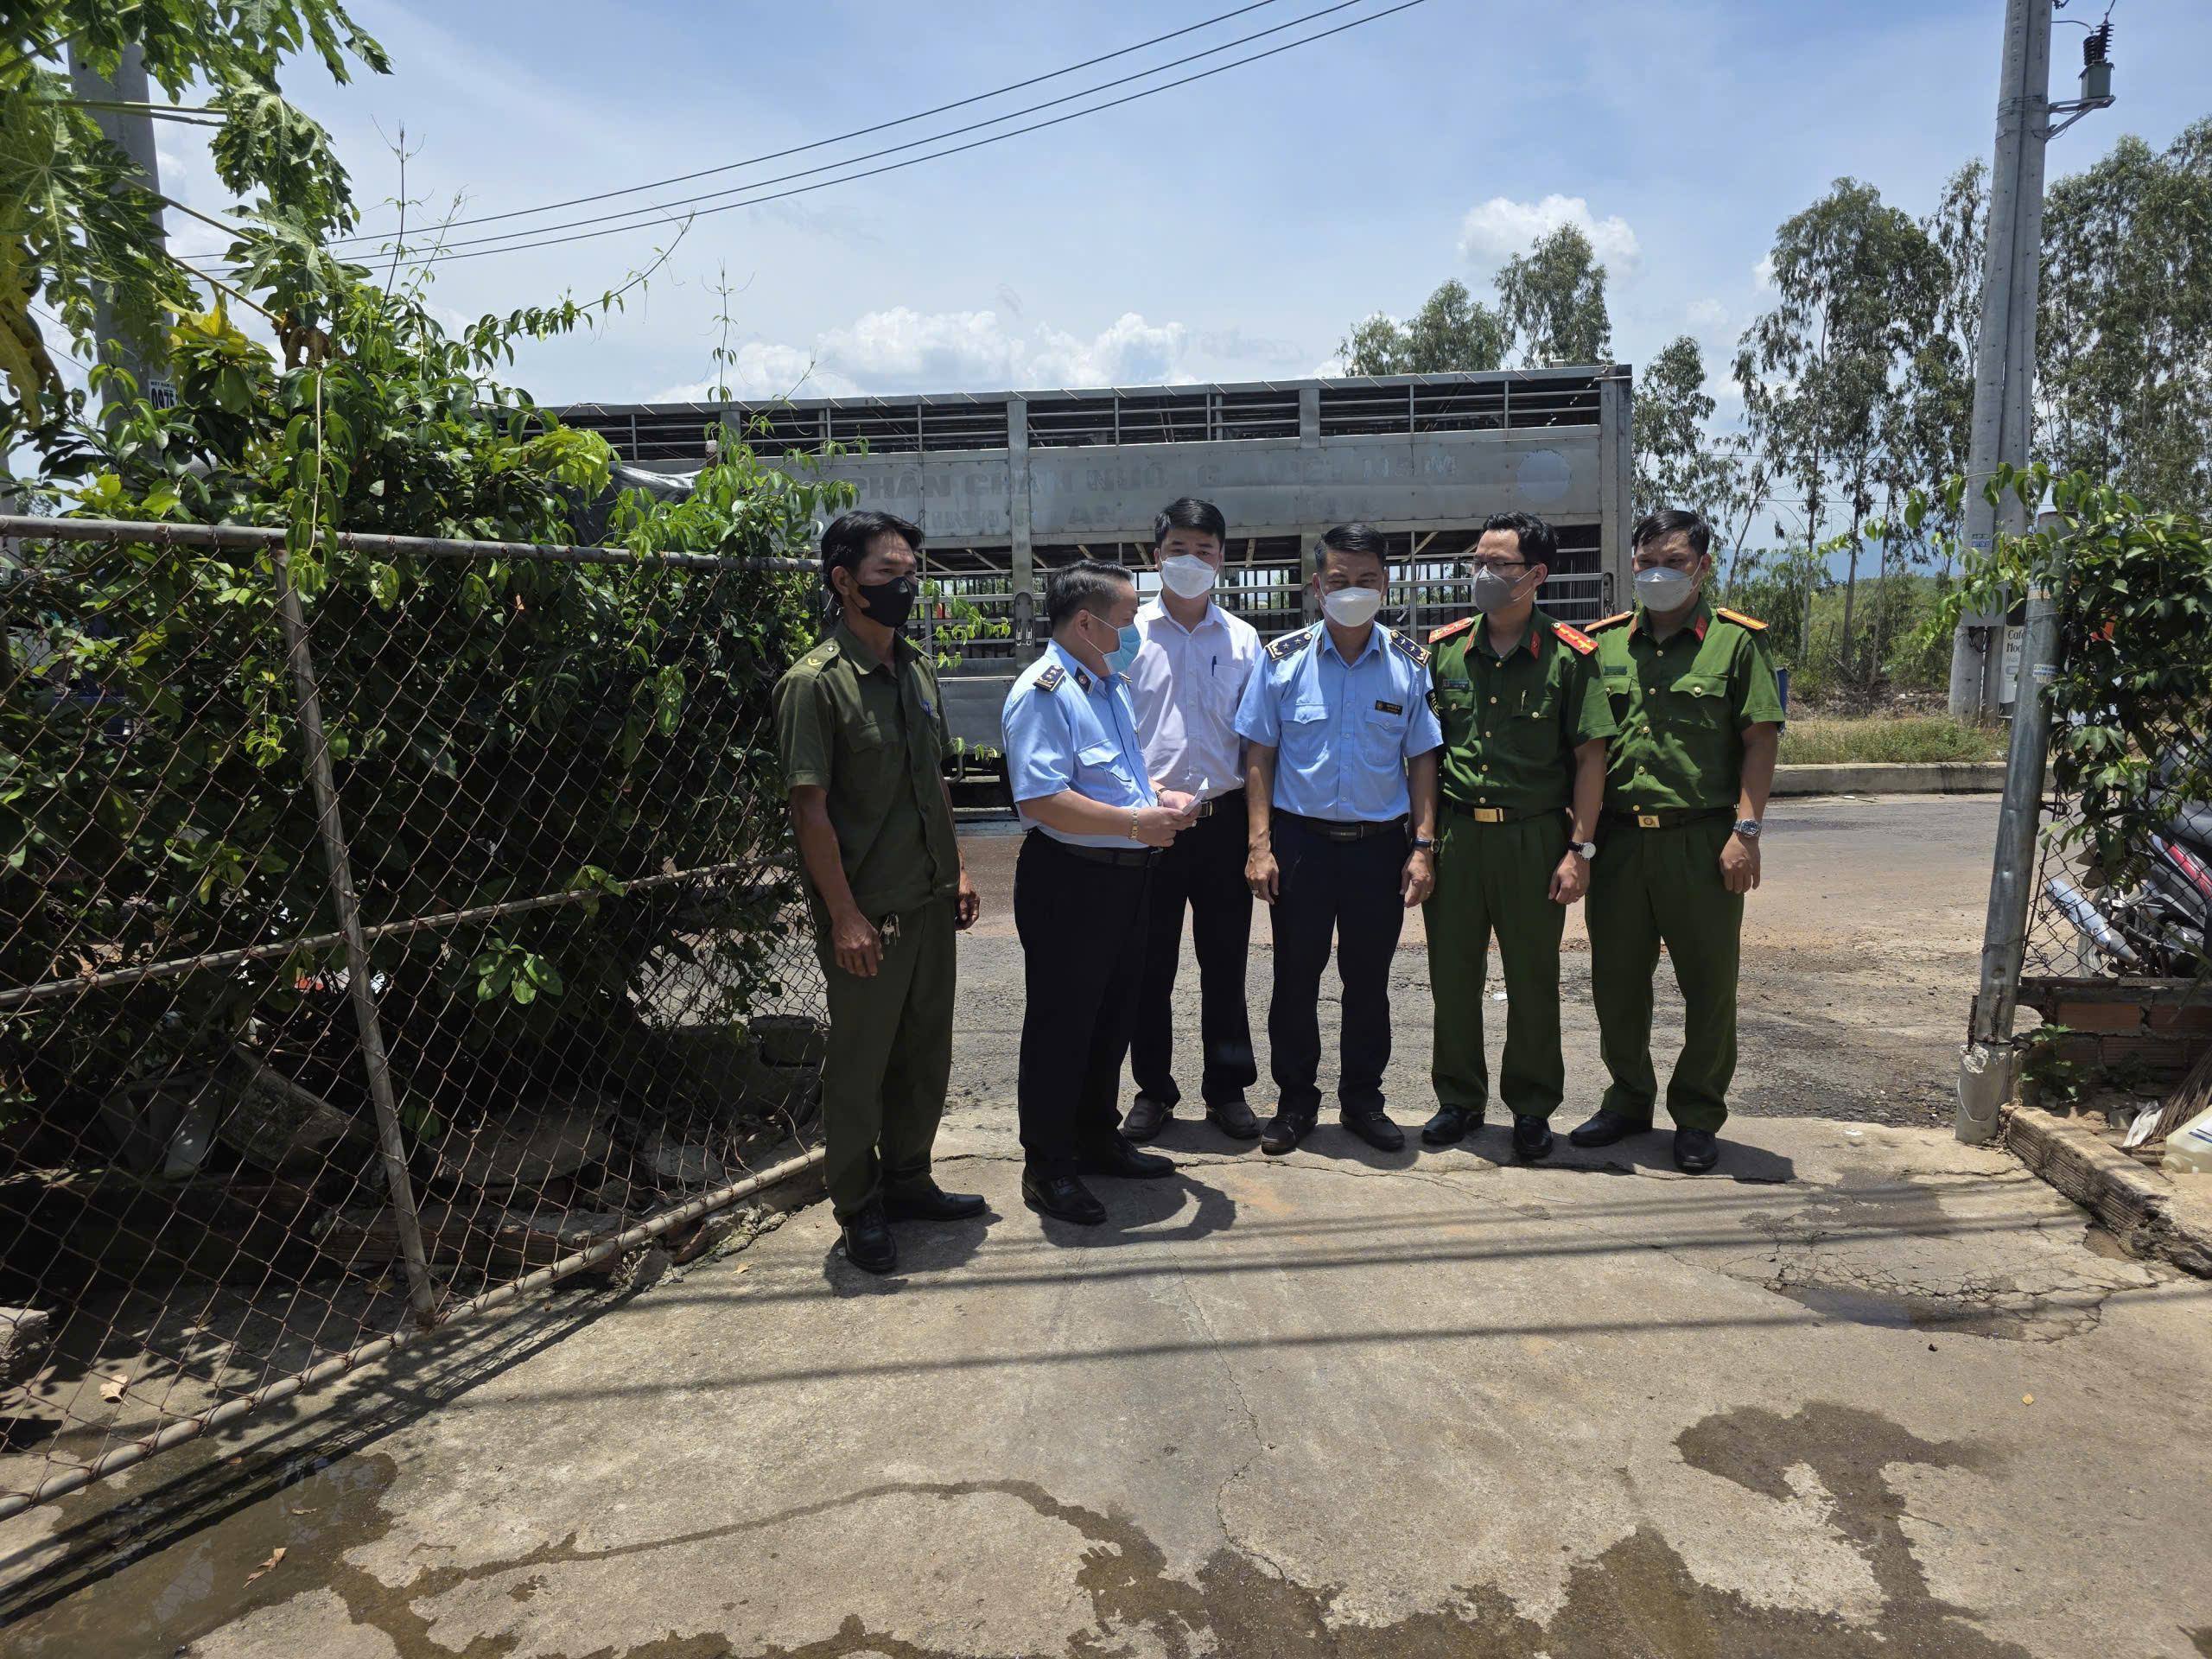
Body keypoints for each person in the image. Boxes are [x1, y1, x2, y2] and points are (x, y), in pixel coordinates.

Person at [773, 509, 985, 1275]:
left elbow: (933, 778)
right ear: (843, 581)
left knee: (924, 1055)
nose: (906, 585)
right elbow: (810, 806)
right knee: (862, 1068)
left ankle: (909, 1179)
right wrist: (844, 915)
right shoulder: (815, 685)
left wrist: (957, 868)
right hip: (870, 916)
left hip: (927, 901)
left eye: (911, 572)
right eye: (888, 573)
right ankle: (859, 1206)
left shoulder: (915, 668)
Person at [1572, 507, 1783, 1174]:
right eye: (1647, 562)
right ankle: (1628, 1099)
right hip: (1620, 843)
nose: (1659, 573)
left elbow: (1760, 740)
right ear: (1632, 564)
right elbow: (1584, 752)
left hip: (1703, 841)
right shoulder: (1602, 645)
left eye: (1675, 561)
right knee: (1617, 983)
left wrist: (1745, 832)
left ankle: (1696, 1115)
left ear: (1703, 565)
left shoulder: (1736, 644)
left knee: (1709, 986)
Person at [1001, 560, 1199, 1224]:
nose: (1135, 629)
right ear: (1085, 623)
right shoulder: (1046, 690)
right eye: (1126, 618)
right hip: (1072, 881)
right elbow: (1042, 798)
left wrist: (1158, 800)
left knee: (1112, 1017)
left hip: (1127, 878)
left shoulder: (1105, 685)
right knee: (1063, 1026)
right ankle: (1049, 1166)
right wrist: (1138, 823)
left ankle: (1094, 1137)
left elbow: (1115, 781)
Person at [1235, 524, 1442, 1155]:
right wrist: (1259, 844)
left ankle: (1363, 1100)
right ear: (1318, 585)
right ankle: (1295, 1101)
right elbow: (1258, 755)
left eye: (1366, 580)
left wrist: (1423, 845)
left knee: (1368, 979)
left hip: (1380, 847)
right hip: (1301, 845)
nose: (1353, 590)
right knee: (1296, 978)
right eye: (1340, 580)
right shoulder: (1283, 661)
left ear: (1385, 584)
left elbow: (1424, 760)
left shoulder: (1408, 665)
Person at [1421, 512, 1615, 1160]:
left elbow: (1591, 758)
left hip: (1533, 840)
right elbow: (1422, 753)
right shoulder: (1445, 649)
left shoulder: (1569, 654)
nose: (1482, 574)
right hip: (1457, 838)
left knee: (1532, 978)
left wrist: (1579, 850)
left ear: (1535, 574)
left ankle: (1531, 1107)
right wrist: (1421, 842)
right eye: (1476, 561)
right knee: (1452, 975)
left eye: (1498, 564)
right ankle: (1459, 1098)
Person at [1122, 498, 1264, 1144]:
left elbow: (1259, 739)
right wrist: (1139, 794)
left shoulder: (1242, 638)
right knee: (1148, 964)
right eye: (1178, 548)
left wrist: (1260, 836)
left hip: (1222, 819)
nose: (1191, 560)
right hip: (1148, 822)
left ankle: (1227, 1089)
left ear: (1223, 560)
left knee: (1225, 961)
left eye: (1204, 550)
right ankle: (1153, 1090)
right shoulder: (1125, 634)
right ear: (1157, 557)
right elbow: (1107, 729)